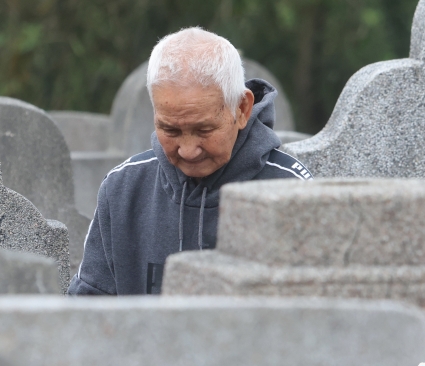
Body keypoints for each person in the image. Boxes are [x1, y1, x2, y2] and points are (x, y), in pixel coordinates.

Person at [68, 27, 311, 295]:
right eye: (170, 130)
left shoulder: (294, 193)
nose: (188, 151)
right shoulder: (123, 189)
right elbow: (87, 306)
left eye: (204, 130)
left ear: (242, 109)